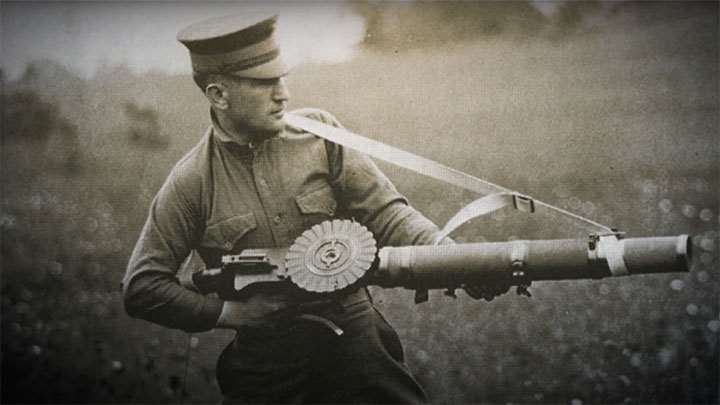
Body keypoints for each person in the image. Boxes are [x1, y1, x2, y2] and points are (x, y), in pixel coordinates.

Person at [123, 13, 506, 404]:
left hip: (357, 341)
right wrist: (233, 315)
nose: (284, 94)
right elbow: (142, 287)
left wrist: (456, 259)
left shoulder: (320, 135)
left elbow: (388, 213)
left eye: (282, 78)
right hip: (269, 361)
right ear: (219, 95)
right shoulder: (192, 180)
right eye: (265, 83)